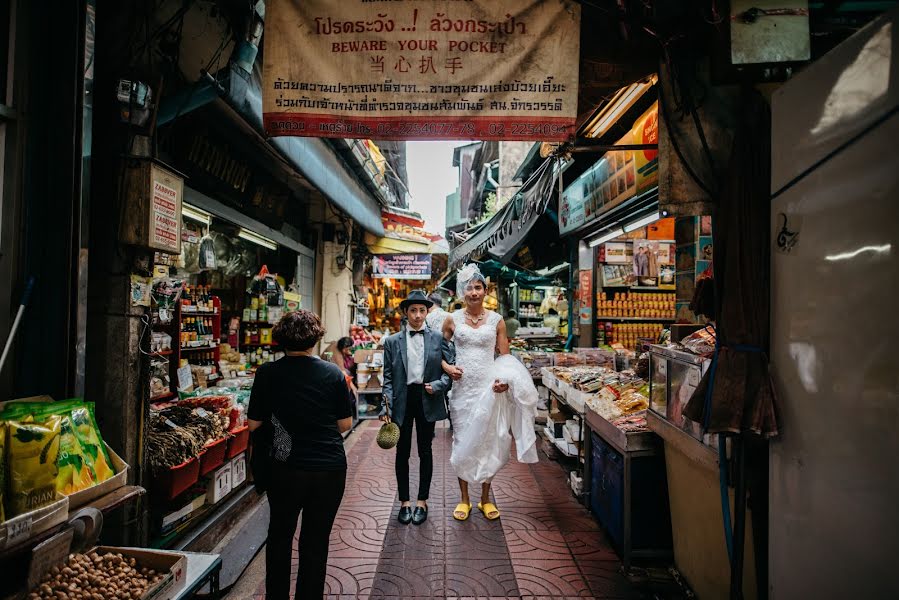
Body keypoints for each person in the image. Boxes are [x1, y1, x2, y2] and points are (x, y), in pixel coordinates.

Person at [247, 310, 353, 600]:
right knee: (315, 541)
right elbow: (345, 424)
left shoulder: (267, 373)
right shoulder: (333, 373)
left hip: (284, 469)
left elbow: (254, 424)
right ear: (314, 339)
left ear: (281, 339)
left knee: (280, 535)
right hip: (329, 470)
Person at [442, 264, 539, 522]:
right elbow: (437, 351)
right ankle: (464, 499)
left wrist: (504, 381)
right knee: (462, 440)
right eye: (469, 288)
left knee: (488, 442)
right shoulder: (452, 319)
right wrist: (447, 367)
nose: (473, 292)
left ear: (486, 290)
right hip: (461, 391)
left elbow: (504, 356)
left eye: (478, 287)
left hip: (489, 388)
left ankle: (485, 499)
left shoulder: (497, 320)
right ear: (462, 292)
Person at [381, 290, 454, 525]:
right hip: (402, 399)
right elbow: (388, 378)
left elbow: (449, 372)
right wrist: (386, 407)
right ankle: (404, 502)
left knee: (425, 450)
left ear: (427, 312)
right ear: (406, 313)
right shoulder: (392, 342)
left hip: (427, 397)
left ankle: (422, 501)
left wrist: (438, 385)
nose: (418, 315)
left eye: (422, 310)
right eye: (413, 310)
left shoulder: (437, 338)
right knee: (402, 451)